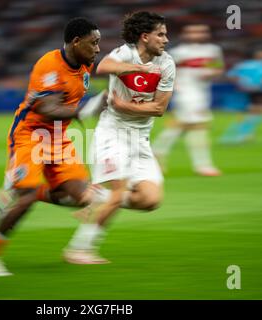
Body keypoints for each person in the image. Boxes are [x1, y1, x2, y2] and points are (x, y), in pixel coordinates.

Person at [0, 17, 103, 276]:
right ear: (76, 42)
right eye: (93, 43)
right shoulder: (49, 66)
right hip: (31, 135)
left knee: (84, 198)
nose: (97, 49)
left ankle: (35, 192)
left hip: (59, 139)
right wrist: (84, 110)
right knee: (24, 197)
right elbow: (47, 108)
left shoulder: (85, 65)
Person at [63, 11, 176, 264]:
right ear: (145, 37)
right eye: (161, 34)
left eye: (166, 34)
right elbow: (103, 67)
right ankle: (79, 250)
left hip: (140, 138)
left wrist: (126, 107)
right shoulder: (125, 53)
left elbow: (158, 109)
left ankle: (98, 196)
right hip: (111, 134)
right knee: (119, 194)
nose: (166, 39)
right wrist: (135, 68)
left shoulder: (167, 63)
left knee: (150, 200)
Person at [151, 24, 224, 176]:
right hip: (186, 92)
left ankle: (157, 151)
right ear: (186, 34)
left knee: (181, 126)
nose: (197, 34)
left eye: (200, 31)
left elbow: (218, 68)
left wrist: (212, 73)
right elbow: (164, 70)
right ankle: (203, 165)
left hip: (203, 92)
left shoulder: (213, 50)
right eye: (193, 32)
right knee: (199, 126)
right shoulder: (179, 52)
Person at [219, 46, 262, 144]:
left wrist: (242, 83)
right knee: (259, 112)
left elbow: (231, 76)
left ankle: (243, 134)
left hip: (243, 90)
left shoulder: (242, 64)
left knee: (250, 113)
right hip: (256, 91)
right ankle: (238, 135)